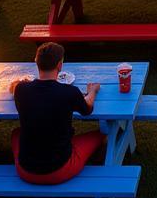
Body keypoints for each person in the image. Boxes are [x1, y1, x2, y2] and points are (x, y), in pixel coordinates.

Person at [10, 42, 104, 184]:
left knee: (16, 133)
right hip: (59, 170)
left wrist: (21, 83)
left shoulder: (21, 90)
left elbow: (16, 87)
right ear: (60, 65)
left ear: (36, 63)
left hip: (25, 170)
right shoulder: (69, 92)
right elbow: (87, 109)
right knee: (101, 135)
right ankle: (49, 195)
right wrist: (92, 92)